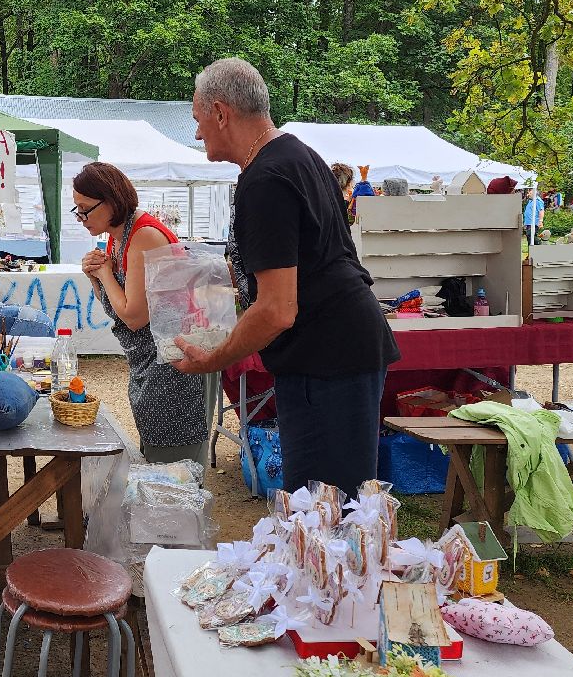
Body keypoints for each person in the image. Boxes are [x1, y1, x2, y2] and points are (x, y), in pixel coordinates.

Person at [173, 58, 400, 498]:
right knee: (334, 510)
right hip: (341, 348)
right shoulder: (300, 155)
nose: (198, 133)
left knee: (325, 513)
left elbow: (278, 309)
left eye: (198, 119)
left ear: (221, 113)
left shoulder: (265, 180)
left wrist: (214, 358)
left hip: (327, 359)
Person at [75, 162, 211, 465]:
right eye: (77, 210)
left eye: (85, 209)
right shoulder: (119, 234)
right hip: (151, 362)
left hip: (174, 366)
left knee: (175, 470)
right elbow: (116, 306)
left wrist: (105, 274)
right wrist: (95, 277)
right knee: (156, 457)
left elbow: (134, 317)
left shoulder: (144, 236)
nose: (81, 218)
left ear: (111, 201)